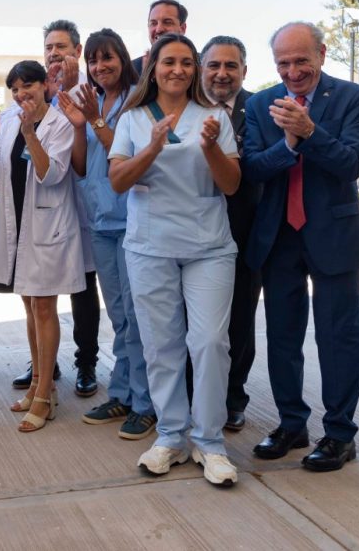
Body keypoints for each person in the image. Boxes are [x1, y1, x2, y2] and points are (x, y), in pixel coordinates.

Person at [108, 33, 241, 486]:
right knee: (161, 345)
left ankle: (210, 443)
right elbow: (118, 181)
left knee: (208, 343)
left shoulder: (215, 117)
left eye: (187, 62)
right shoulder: (131, 119)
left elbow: (231, 185)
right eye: (170, 62)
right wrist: (153, 147)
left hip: (208, 248)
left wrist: (207, 147)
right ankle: (170, 437)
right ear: (154, 68)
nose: (179, 70)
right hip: (150, 247)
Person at [243, 21, 359, 473]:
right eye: (283, 63)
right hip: (279, 237)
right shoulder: (260, 104)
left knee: (339, 337)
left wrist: (311, 132)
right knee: (282, 336)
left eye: (301, 60)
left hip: (335, 235)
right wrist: (289, 143)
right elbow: (254, 169)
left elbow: (352, 164)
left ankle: (339, 433)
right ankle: (291, 423)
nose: (293, 71)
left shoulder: (352, 97)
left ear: (321, 53)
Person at [59, 29, 155, 440]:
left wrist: (96, 122)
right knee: (118, 316)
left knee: (138, 316)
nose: (100, 67)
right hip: (101, 219)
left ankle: (146, 402)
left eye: (108, 58)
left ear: (123, 59)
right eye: (94, 61)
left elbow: (127, 155)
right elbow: (81, 166)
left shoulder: (139, 102)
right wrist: (80, 125)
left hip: (134, 220)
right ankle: (121, 393)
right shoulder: (92, 100)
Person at [0, 60, 83, 431]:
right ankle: (44, 385)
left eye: (29, 86)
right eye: (16, 89)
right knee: (29, 305)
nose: (22, 94)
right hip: (18, 224)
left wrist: (31, 135)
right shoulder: (9, 121)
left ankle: (43, 394)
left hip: (48, 226)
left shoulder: (59, 124)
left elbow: (52, 173)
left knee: (44, 307)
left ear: (46, 86)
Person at [15, 19, 99, 398]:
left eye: (61, 47)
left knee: (83, 290)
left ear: (77, 52)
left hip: (86, 205)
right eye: (49, 47)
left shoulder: (90, 89)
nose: (54, 53)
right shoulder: (41, 95)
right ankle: (44, 366)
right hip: (48, 208)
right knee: (40, 296)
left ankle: (86, 363)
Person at [200, 35, 263, 432]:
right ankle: (195, 394)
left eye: (231, 66)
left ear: (243, 70)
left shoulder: (260, 109)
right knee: (198, 324)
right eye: (214, 65)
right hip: (193, 232)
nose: (222, 73)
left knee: (240, 319)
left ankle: (233, 396)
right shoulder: (185, 109)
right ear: (202, 69)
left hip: (244, 230)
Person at [133, 0, 188, 76]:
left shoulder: (202, 66)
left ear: (182, 28)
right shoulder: (131, 70)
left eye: (167, 22)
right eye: (154, 23)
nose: (158, 29)